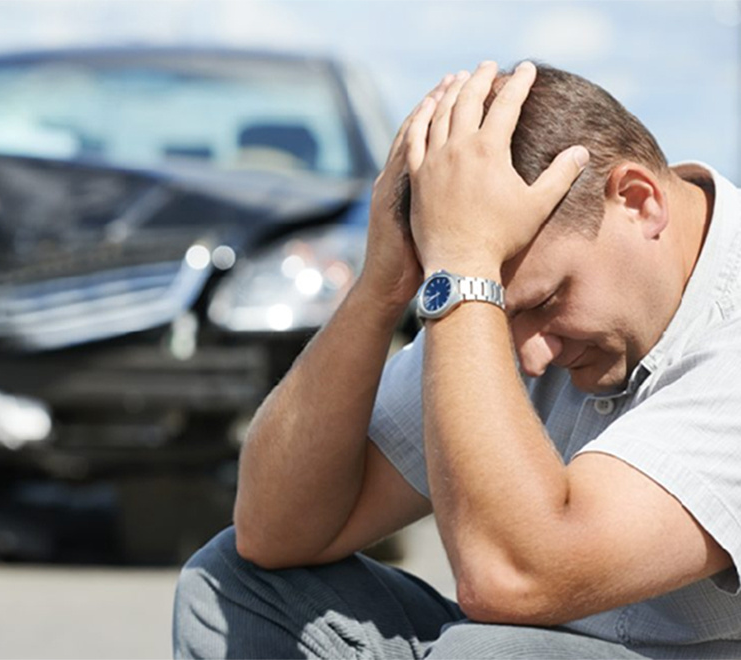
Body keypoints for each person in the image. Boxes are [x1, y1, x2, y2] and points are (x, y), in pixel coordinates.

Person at [172, 60, 741, 659]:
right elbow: (275, 531)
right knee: (231, 587)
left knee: (487, 652)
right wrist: (380, 291)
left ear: (637, 201)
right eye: (501, 314)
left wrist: (467, 272)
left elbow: (513, 579)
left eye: (548, 300)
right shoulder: (490, 292)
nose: (527, 354)